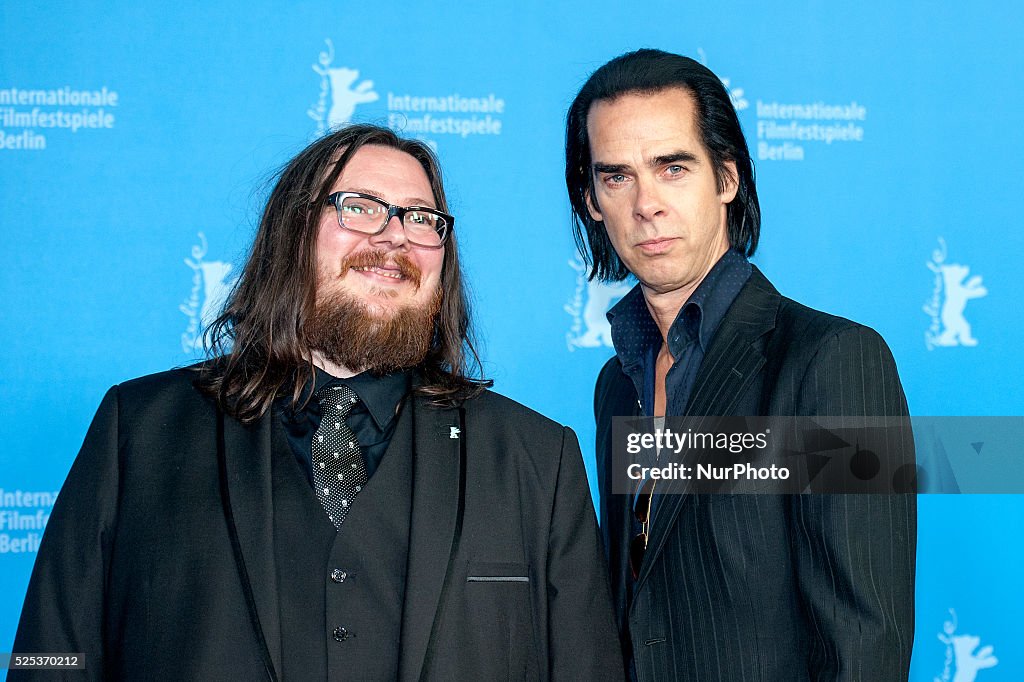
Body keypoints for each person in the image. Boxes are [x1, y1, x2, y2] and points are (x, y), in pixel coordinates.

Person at [12, 124, 621, 681]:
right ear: (291, 234)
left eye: (421, 219)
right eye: (358, 208)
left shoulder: (537, 459)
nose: (392, 237)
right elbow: (52, 655)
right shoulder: (137, 430)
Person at [565, 49, 916, 681]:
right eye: (617, 176)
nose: (646, 203)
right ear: (592, 199)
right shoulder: (616, 385)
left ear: (726, 178)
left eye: (673, 168)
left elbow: (865, 643)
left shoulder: (835, 360)